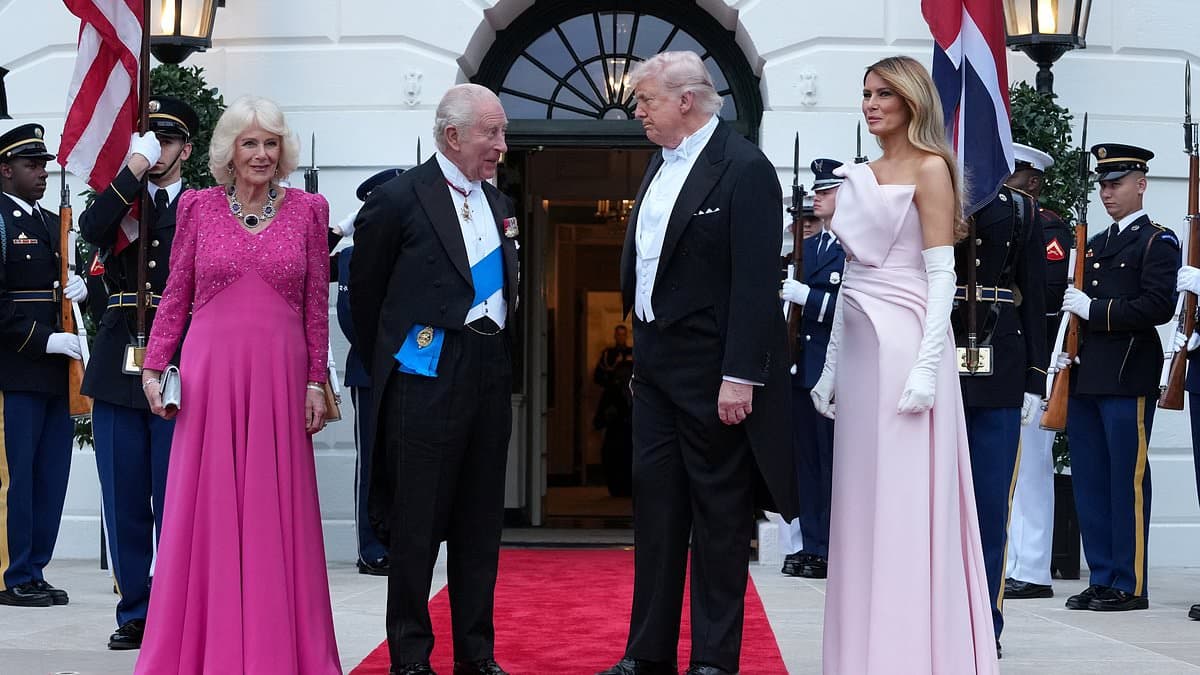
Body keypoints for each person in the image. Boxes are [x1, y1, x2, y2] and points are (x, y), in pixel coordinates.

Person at [598, 51, 796, 675]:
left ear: (685, 100)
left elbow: (756, 282)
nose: (637, 112)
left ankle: (713, 660)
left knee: (718, 516)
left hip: (714, 371)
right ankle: (645, 654)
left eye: (645, 101)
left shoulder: (745, 168)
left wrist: (740, 375)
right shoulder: (659, 163)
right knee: (656, 513)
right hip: (654, 368)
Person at [134, 95, 340, 673]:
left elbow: (315, 307)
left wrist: (315, 381)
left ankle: (282, 650)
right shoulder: (198, 208)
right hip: (210, 375)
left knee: (279, 510)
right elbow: (175, 294)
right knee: (206, 509)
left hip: (280, 374)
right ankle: (203, 649)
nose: (262, 154)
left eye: (271, 143)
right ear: (228, 151)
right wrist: (154, 368)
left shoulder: (309, 210)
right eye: (250, 143)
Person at [812, 56, 998, 672]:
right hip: (863, 351)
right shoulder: (859, 174)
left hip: (908, 346)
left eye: (884, 94)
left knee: (906, 500)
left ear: (912, 101)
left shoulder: (931, 168)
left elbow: (942, 275)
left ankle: (912, 654)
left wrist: (927, 365)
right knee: (860, 505)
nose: (871, 104)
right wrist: (832, 366)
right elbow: (848, 280)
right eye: (865, 93)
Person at [350, 83, 517, 675]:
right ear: (453, 135)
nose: (502, 144)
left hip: (489, 370)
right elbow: (366, 299)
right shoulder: (398, 199)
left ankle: (477, 654)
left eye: (502, 132)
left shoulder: (500, 204)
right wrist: (398, 361)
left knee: (479, 524)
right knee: (416, 522)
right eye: (490, 132)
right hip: (424, 376)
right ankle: (411, 657)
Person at [78, 95, 199, 649]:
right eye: (151, 140)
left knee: (176, 497)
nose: (158, 149)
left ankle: (176, 607)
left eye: (168, 141)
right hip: (119, 361)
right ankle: (136, 610)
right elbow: (91, 228)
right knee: (123, 496)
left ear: (187, 150)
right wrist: (131, 171)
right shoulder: (122, 201)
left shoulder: (201, 207)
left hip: (180, 363)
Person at [1051, 143, 1179, 613]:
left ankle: (1130, 581)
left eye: (1117, 183)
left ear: (1141, 184)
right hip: (1087, 378)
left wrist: (1095, 310)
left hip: (1127, 376)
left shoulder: (1157, 241)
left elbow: (1157, 306)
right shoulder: (1097, 244)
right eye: (1103, 184)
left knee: (1127, 481)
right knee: (1090, 481)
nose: (1107, 193)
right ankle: (1102, 574)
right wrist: (1068, 350)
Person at [951, 159, 1048, 655]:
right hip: (939, 354)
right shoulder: (931, 192)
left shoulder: (1023, 211)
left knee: (991, 504)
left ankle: (985, 621)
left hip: (1000, 361)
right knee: (934, 505)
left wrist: (1035, 377)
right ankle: (937, 617)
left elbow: (1033, 299)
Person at [0, 124, 86, 608]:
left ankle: (36, 568)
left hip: (57, 372)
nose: (42, 174)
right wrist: (44, 339)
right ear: (5, 169)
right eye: (32, 166)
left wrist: (85, 289)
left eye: (44, 166)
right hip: (17, 368)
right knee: (20, 476)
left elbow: (78, 280)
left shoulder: (55, 223)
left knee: (52, 474)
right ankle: (13, 573)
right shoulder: (0, 222)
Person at [329, 167, 403, 576]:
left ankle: (403, 541)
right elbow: (308, 255)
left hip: (413, 369)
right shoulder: (350, 257)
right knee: (372, 461)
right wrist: (344, 226)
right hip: (371, 372)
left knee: (409, 461)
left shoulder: (412, 251)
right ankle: (370, 545)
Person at [1005, 142, 1071, 601]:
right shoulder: (1004, 224)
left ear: (1032, 181)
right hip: (1007, 360)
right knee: (1007, 467)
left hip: (1039, 361)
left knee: (1031, 468)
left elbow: (1044, 295)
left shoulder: (1047, 229)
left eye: (1010, 174)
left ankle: (1032, 568)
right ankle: (1011, 562)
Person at [778, 158, 846, 580]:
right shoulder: (816, 245)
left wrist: (810, 299)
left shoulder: (853, 246)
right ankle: (811, 543)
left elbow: (855, 310)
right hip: (801, 370)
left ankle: (829, 547)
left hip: (832, 372)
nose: (817, 197)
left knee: (831, 464)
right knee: (807, 465)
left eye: (825, 191)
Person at [593, 324, 634, 497]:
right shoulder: (608, 354)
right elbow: (599, 376)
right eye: (618, 334)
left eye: (623, 335)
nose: (621, 338)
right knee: (613, 450)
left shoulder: (633, 353)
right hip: (614, 404)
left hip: (631, 405)